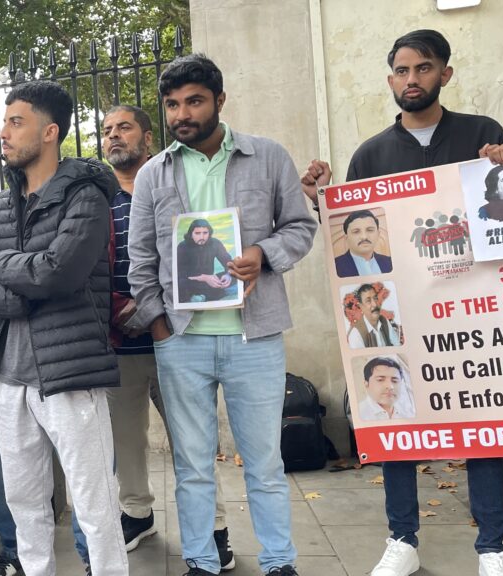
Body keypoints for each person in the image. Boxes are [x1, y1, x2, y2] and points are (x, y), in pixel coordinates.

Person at [300, 29, 503, 576]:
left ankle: (492, 545)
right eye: (401, 70)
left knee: (481, 415)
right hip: (398, 313)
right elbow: (353, 234)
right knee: (392, 420)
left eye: (423, 69)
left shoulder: (482, 134)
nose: (411, 79)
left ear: (444, 74)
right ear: (390, 79)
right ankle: (403, 539)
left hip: (469, 310)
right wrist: (322, 201)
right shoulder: (371, 153)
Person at [127, 54, 316, 576]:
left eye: (194, 101)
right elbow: (141, 258)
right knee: (191, 467)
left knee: (265, 463)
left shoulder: (268, 157)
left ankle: (280, 562)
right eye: (172, 105)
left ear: (219, 101)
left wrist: (263, 253)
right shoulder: (152, 175)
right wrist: (160, 326)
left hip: (254, 337)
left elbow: (299, 227)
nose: (182, 113)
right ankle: (201, 563)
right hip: (182, 341)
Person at [0, 80, 128, 576]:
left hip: (71, 374)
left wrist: (4, 262)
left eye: (16, 122)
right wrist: (21, 291)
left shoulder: (87, 196)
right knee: (24, 501)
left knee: (94, 505)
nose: (3, 132)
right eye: (4, 122)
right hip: (7, 377)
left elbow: (62, 272)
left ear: (49, 131)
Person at [68, 105, 234, 571]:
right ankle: (137, 515)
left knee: (192, 442)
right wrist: (114, 308)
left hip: (177, 337)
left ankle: (214, 528)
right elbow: (83, 264)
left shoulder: (173, 187)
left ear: (147, 137)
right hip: (117, 342)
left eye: (124, 128)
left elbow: (197, 253)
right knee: (125, 440)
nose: (113, 137)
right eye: (106, 131)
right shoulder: (95, 199)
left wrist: (154, 310)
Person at [175, 219, 235, 303]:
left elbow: (229, 262)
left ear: (209, 233)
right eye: (197, 233)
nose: (202, 237)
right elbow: (180, 276)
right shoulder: (182, 247)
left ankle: (203, 296)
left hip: (211, 281)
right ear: (191, 234)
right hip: (192, 281)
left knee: (236, 273)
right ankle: (208, 294)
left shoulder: (215, 243)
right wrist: (204, 278)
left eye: (205, 233)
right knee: (180, 284)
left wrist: (228, 274)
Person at [333, 210, 392, 278]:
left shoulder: (389, 262)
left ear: (378, 234)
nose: (364, 237)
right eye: (356, 232)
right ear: (346, 238)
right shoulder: (335, 265)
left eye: (370, 230)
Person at [357, 357, 415, 421]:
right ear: (366, 384)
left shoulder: (409, 413)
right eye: (380, 380)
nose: (390, 386)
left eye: (394, 381)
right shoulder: (358, 414)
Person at [347, 284, 401, 349]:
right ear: (361, 306)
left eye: (375, 298)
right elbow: (362, 359)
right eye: (368, 301)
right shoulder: (356, 334)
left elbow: (397, 345)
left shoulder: (384, 321)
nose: (375, 304)